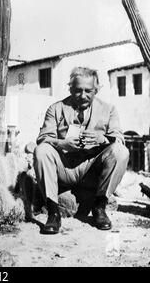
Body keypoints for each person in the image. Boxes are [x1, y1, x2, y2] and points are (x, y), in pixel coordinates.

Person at [33, 67, 129, 235]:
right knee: (41, 151)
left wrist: (103, 139)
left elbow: (119, 139)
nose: (83, 95)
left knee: (121, 151)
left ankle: (99, 207)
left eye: (88, 91)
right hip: (65, 168)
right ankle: (53, 213)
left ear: (96, 90)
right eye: (78, 90)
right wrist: (63, 144)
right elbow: (43, 138)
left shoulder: (109, 109)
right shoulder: (56, 109)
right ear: (70, 89)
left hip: (92, 170)